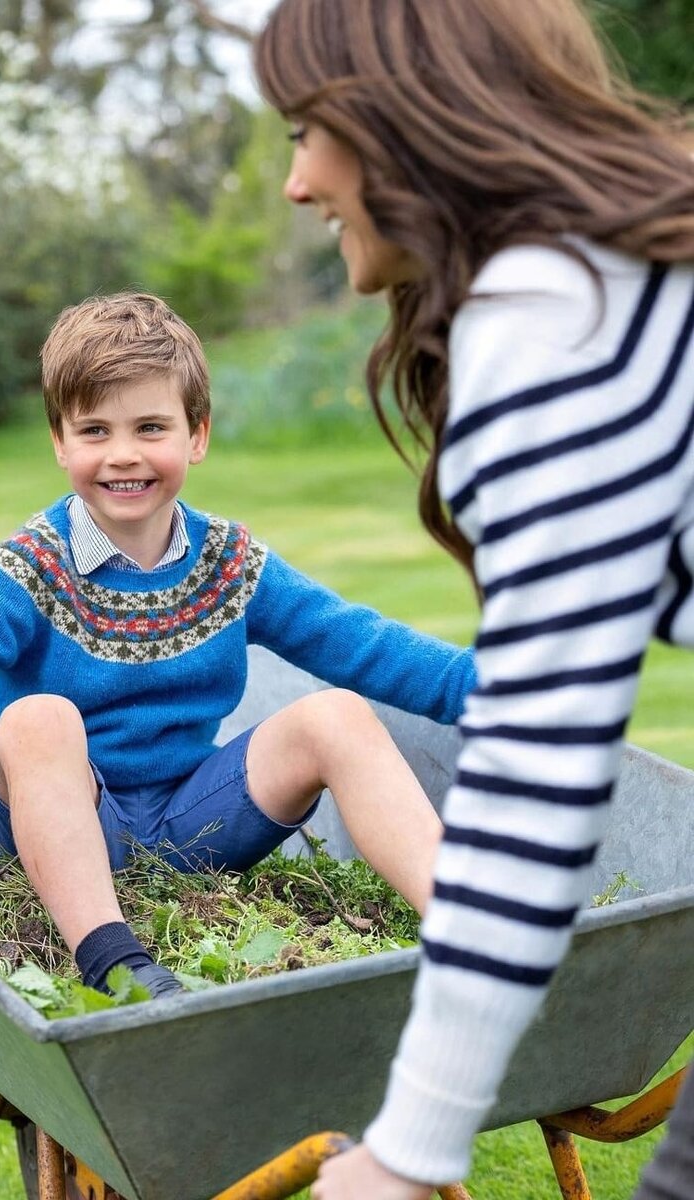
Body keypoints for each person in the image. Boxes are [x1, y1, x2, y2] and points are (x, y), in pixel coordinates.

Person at [254, 0, 694, 1197]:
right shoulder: (624, 270)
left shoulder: (549, 324)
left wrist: (408, 1147)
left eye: (309, 131)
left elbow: (541, 772)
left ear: (401, 123)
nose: (298, 183)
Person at [0, 290, 476, 1002]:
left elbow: (363, 645)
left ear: (197, 435)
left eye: (151, 426)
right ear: (59, 441)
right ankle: (116, 964)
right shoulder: (28, 569)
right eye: (94, 430)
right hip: (54, 829)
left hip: (192, 821)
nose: (123, 455)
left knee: (336, 713)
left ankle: (466, 931)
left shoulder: (229, 562)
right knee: (36, 719)